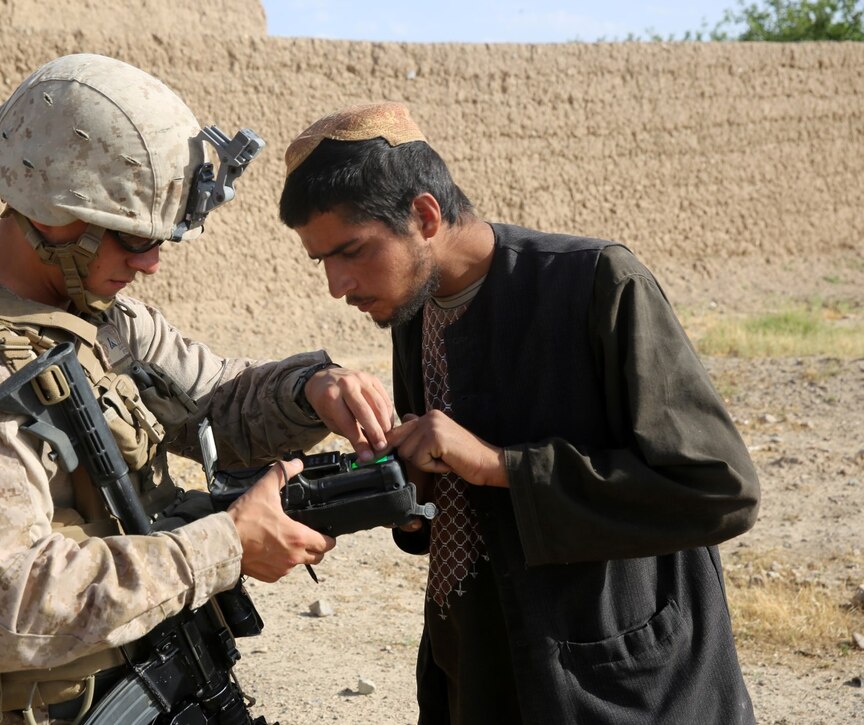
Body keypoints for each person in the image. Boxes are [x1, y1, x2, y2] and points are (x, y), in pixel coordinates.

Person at [0, 55, 396, 724]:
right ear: (54, 214)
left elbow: (218, 405)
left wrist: (309, 389)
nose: (151, 262)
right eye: (134, 238)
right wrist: (225, 546)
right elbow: (10, 608)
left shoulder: (104, 325)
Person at [278, 102, 761, 724]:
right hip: (476, 667)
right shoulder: (412, 307)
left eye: (352, 251)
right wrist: (406, 488)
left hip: (617, 685)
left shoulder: (596, 283)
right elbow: (453, 508)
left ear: (424, 216)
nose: (337, 285)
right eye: (322, 261)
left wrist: (499, 465)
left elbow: (720, 489)